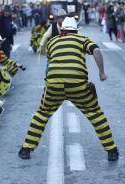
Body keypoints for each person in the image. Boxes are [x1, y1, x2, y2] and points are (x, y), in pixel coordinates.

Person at [18, 17, 119, 161]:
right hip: (77, 84)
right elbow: (96, 51)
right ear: (75, 31)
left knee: (42, 113)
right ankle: (112, 151)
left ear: (62, 30)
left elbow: (50, 59)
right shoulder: (82, 39)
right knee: (95, 113)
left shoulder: (53, 41)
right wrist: (102, 72)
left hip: (54, 85)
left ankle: (26, 149)